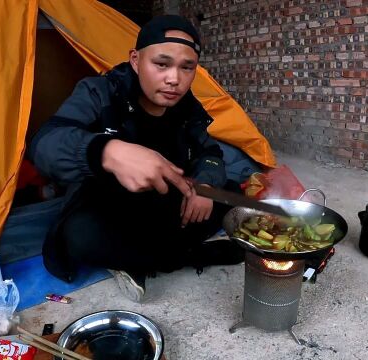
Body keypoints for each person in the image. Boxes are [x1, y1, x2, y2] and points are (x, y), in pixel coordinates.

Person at [27, 15, 244, 302]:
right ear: (135, 60)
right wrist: (105, 151)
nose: (174, 79)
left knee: (230, 193)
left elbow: (211, 154)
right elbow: (44, 144)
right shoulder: (99, 92)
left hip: (166, 202)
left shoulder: (187, 108)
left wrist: (204, 186)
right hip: (109, 205)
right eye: (162, 64)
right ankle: (185, 256)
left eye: (186, 67)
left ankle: (141, 259)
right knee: (80, 237)